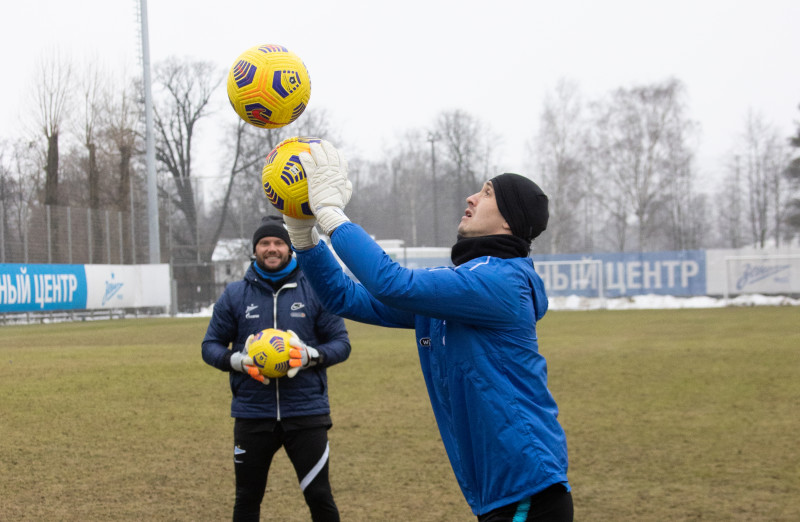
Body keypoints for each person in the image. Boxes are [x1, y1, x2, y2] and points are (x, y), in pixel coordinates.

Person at [283, 141, 573, 521]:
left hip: (526, 490)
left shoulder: (504, 281)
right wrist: (304, 238)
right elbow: (346, 298)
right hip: (502, 491)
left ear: (509, 221)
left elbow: (391, 283)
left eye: (486, 193)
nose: (471, 198)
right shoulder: (460, 286)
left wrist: (333, 214)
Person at [201, 215, 351, 522]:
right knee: (246, 499)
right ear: (255, 249)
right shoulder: (234, 295)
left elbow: (341, 343)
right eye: (265, 243)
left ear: (290, 248)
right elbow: (210, 346)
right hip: (253, 414)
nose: (272, 249)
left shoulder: (315, 290)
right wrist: (237, 361)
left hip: (306, 412)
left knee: (320, 496)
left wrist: (311, 355)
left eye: (279, 243)